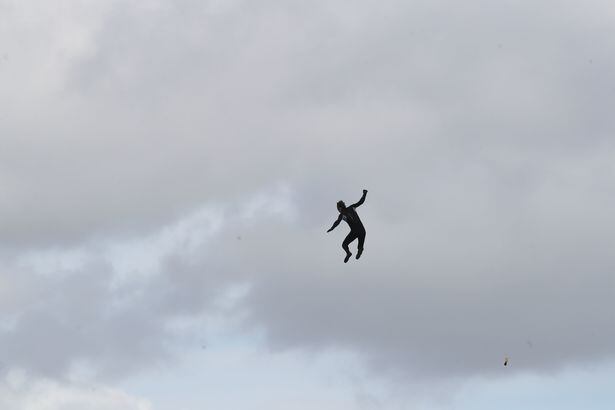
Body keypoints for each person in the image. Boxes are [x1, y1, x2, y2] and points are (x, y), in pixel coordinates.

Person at [327, 189, 368, 263]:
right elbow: (361, 202)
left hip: (355, 232)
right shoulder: (352, 207)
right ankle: (359, 250)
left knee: (344, 245)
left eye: (338, 209)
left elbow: (337, 222)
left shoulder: (342, 215)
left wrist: (332, 228)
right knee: (360, 247)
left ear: (339, 208)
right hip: (362, 231)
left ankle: (348, 253)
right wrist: (364, 193)